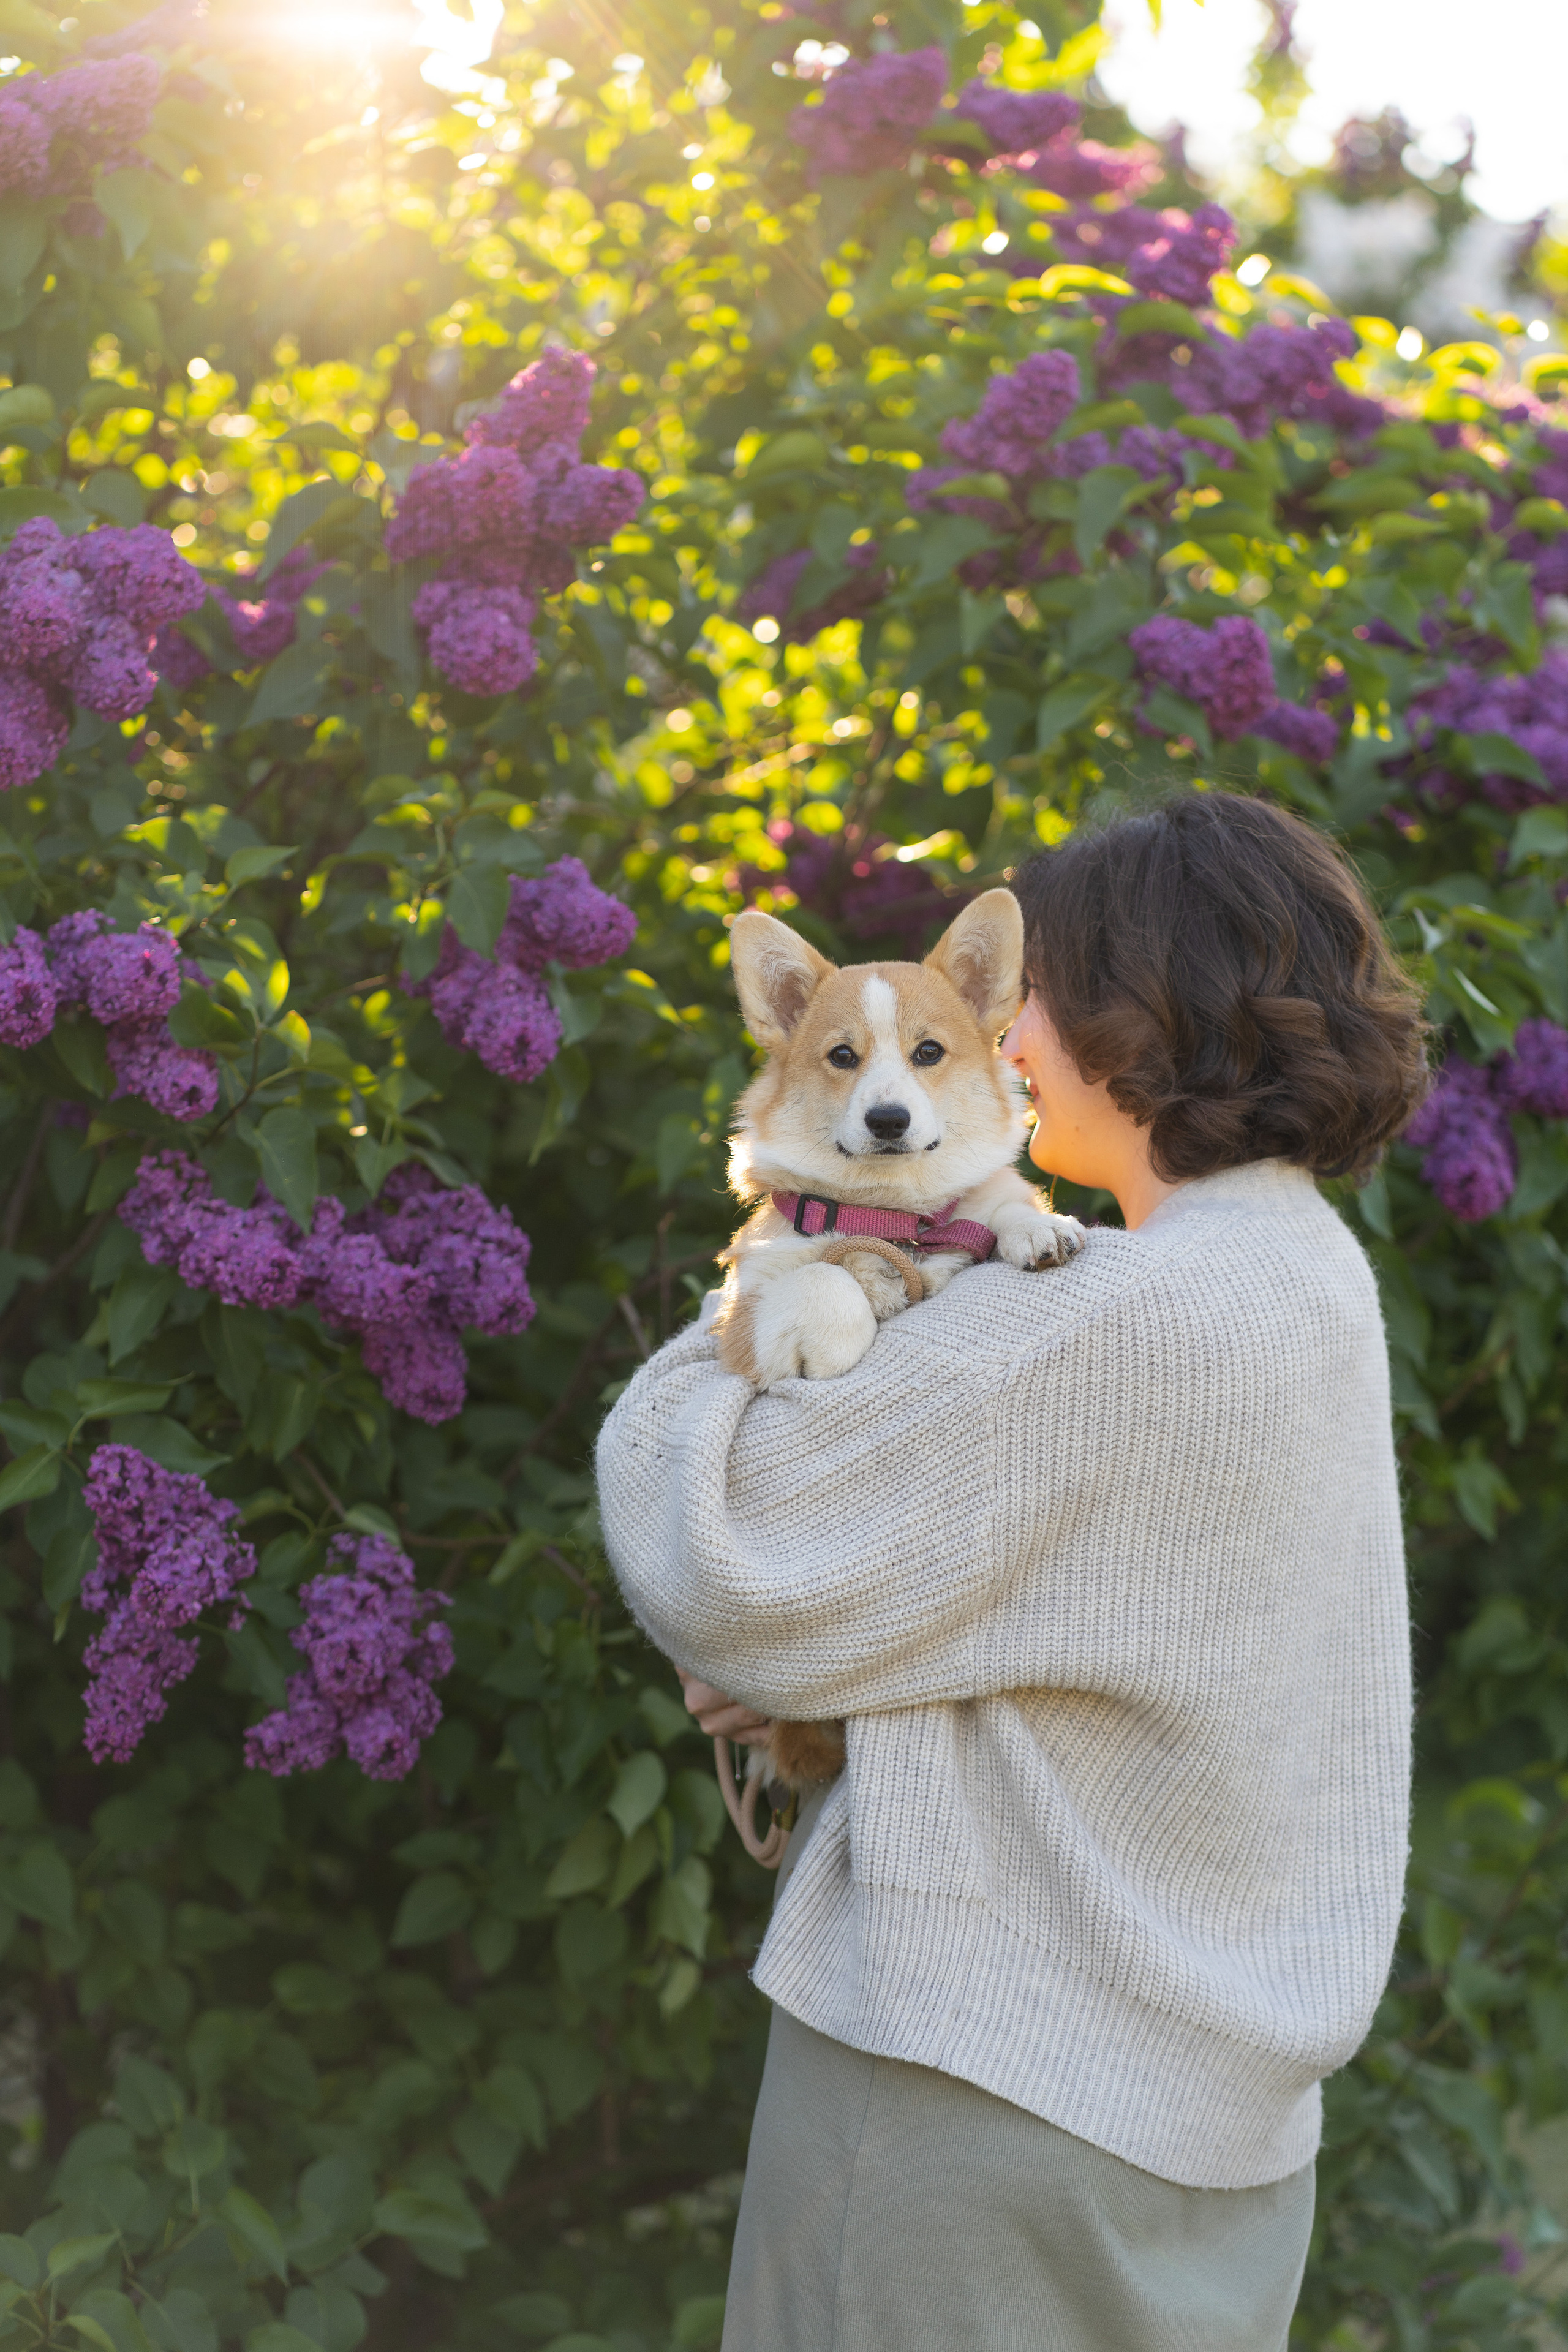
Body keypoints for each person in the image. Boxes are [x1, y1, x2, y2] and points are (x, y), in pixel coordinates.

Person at [595, 790, 1426, 2352]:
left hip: (981, 2085)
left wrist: (766, 1296)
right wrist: (830, 1638)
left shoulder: (1101, 1322)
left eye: (1027, 990)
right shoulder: (1309, 1280)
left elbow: (713, 1550)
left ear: (1134, 1011)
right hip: (1216, 2128)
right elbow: (1075, 1609)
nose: (1006, 1039)